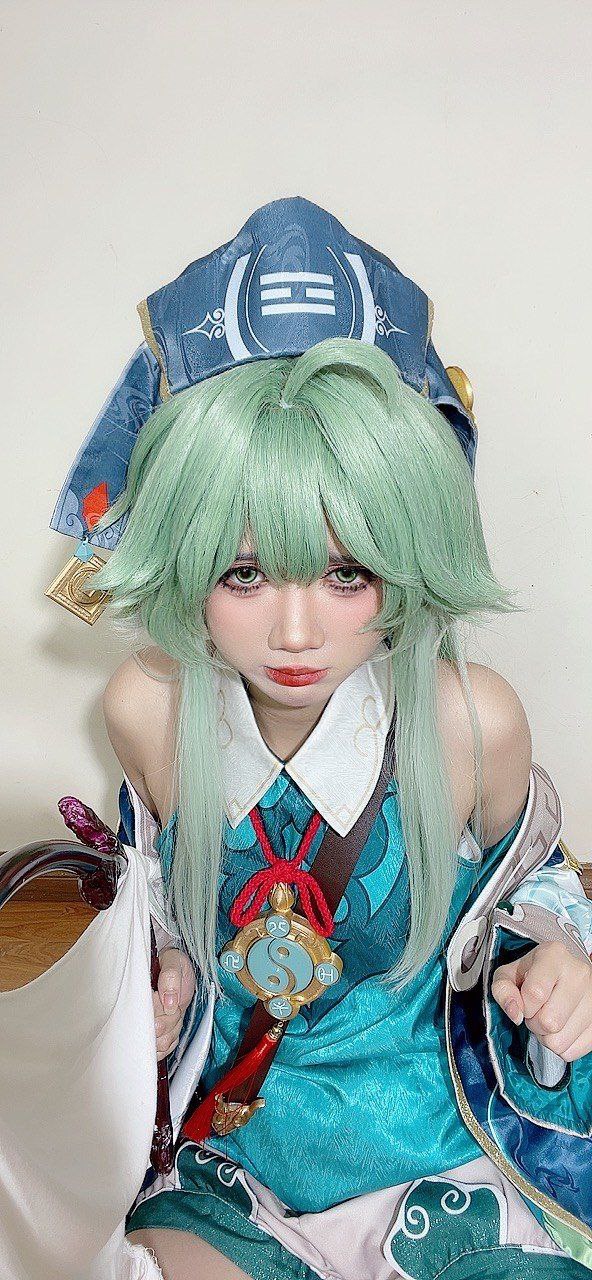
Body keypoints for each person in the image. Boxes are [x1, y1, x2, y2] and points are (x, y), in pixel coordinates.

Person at [48, 198, 592, 1279]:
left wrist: (562, 959)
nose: (295, 632)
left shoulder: (466, 718)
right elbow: (170, 914)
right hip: (240, 1152)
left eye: (347, 573)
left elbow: (535, 886)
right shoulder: (148, 707)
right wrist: (158, 978)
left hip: (443, 1145)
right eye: (244, 572)